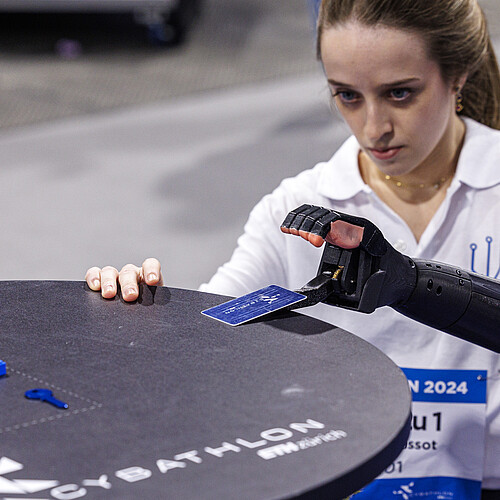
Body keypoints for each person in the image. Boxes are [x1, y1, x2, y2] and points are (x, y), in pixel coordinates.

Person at [85, 0, 500, 496]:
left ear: (458, 76)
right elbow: (200, 336)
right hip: (338, 480)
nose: (373, 128)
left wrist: (412, 284)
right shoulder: (297, 207)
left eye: (400, 94)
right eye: (347, 95)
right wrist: (134, 318)